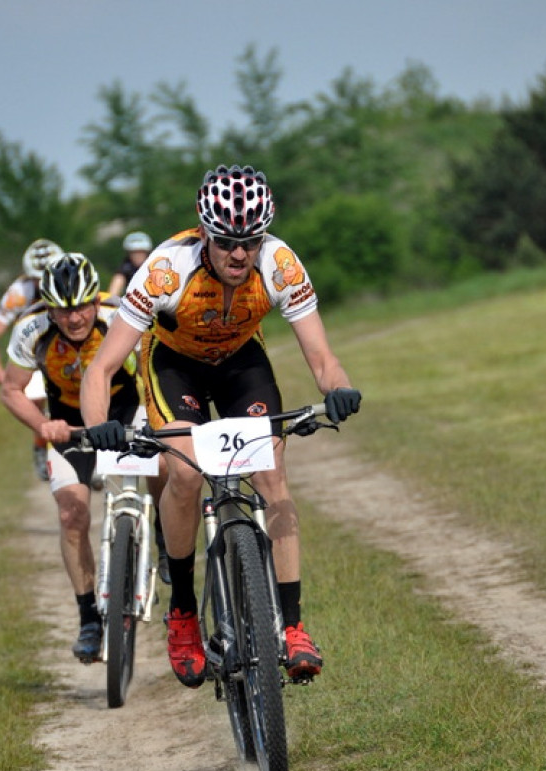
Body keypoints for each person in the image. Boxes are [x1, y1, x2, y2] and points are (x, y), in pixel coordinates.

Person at [80, 164, 361, 689]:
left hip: (239, 362)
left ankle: (293, 626)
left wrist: (338, 390)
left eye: (251, 241)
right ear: (204, 231)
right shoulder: (166, 269)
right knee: (185, 473)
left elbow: (323, 358)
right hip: (173, 364)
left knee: (272, 474)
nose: (239, 254)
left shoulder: (279, 264)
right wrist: (99, 425)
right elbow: (101, 368)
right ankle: (184, 612)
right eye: (227, 241)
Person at [0, 252, 143, 664]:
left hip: (125, 411)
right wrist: (43, 425)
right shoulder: (32, 329)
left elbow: (154, 366)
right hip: (69, 424)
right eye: (63, 310)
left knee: (166, 467)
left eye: (81, 306)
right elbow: (11, 389)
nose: (74, 318)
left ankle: (166, 542)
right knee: (71, 515)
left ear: (96, 299)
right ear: (48, 308)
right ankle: (89, 620)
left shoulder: (120, 315)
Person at [0, 238, 64, 481]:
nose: (44, 283)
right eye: (38, 278)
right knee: (33, 401)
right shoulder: (19, 293)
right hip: (34, 353)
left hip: (66, 348)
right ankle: (41, 444)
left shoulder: (71, 280)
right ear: (28, 277)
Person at [107, 231, 153, 299]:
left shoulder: (155, 267)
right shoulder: (125, 270)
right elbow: (113, 291)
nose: (137, 256)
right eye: (134, 253)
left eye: (141, 252)